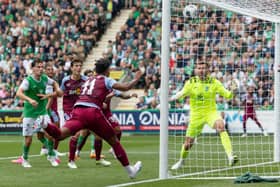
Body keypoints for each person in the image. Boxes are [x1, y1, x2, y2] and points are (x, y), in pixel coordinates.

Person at [42, 59, 143, 178]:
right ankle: (130, 171)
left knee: (60, 135)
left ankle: (44, 124)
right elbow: (125, 87)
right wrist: (136, 78)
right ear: (107, 70)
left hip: (78, 110)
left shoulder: (88, 80)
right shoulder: (106, 79)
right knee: (114, 141)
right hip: (92, 112)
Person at [170, 61, 238, 170]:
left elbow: (228, 95)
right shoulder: (191, 82)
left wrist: (233, 89)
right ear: (196, 70)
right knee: (188, 144)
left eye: (203, 68)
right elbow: (181, 93)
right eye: (199, 68)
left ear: (208, 70)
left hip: (211, 112)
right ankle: (181, 161)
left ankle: (230, 156)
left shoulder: (214, 82)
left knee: (221, 126)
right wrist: (170, 99)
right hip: (196, 115)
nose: (201, 70)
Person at [68, 90, 138, 169]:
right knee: (82, 133)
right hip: (93, 111)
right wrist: (107, 98)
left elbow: (120, 94)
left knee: (115, 130)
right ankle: (74, 156)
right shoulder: (94, 88)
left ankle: (100, 157)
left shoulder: (110, 86)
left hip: (106, 113)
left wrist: (131, 94)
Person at [13, 59, 63, 168]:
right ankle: (25, 159)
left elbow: (54, 82)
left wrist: (58, 88)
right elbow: (18, 93)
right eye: (38, 67)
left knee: (50, 135)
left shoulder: (45, 78)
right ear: (33, 68)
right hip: (30, 114)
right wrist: (30, 100)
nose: (41, 69)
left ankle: (50, 155)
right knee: (28, 139)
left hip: (42, 113)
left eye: (42, 67)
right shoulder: (28, 81)